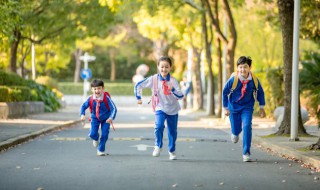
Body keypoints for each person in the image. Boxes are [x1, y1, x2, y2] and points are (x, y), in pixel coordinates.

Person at [134, 56, 184, 160]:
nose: (164, 69)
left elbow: (181, 96)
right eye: (162, 67)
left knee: (172, 132)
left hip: (172, 109)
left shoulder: (173, 81)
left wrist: (173, 89)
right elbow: (138, 85)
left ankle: (172, 150)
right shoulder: (154, 79)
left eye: (166, 67)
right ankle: (158, 146)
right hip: (159, 107)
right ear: (158, 67)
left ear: (170, 67)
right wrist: (139, 97)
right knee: (159, 126)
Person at [222, 56, 266, 162]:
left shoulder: (254, 80)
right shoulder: (234, 79)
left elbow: (260, 92)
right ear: (237, 68)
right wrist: (226, 107)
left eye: (245, 67)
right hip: (234, 107)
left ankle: (246, 152)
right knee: (236, 129)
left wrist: (261, 107)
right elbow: (225, 92)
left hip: (247, 106)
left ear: (249, 68)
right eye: (240, 67)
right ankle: (235, 133)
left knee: (247, 126)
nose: (243, 69)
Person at [80, 79, 117, 156]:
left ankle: (101, 149)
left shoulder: (106, 98)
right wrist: (82, 114)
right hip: (95, 118)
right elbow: (83, 106)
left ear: (103, 88)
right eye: (95, 89)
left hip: (106, 119)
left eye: (99, 88)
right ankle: (96, 138)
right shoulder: (90, 99)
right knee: (92, 134)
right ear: (92, 90)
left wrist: (111, 117)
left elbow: (114, 108)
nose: (97, 90)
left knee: (105, 134)